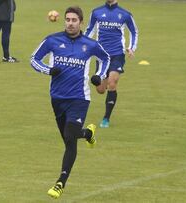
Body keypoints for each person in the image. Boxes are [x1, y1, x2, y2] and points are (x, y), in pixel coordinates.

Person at [30, 6, 110, 199]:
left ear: (81, 22)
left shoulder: (89, 44)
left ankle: (60, 183)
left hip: (79, 98)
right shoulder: (52, 40)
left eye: (74, 20)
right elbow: (34, 59)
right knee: (69, 141)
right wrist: (47, 70)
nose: (70, 23)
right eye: (68, 19)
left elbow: (105, 57)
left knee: (70, 132)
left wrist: (99, 75)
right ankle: (88, 133)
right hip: (57, 98)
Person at [85, 0, 138, 128]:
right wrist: (82, 44)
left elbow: (134, 31)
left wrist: (131, 47)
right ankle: (103, 80)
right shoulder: (96, 12)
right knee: (100, 89)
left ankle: (106, 119)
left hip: (117, 54)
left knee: (112, 83)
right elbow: (89, 30)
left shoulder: (125, 14)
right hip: (101, 56)